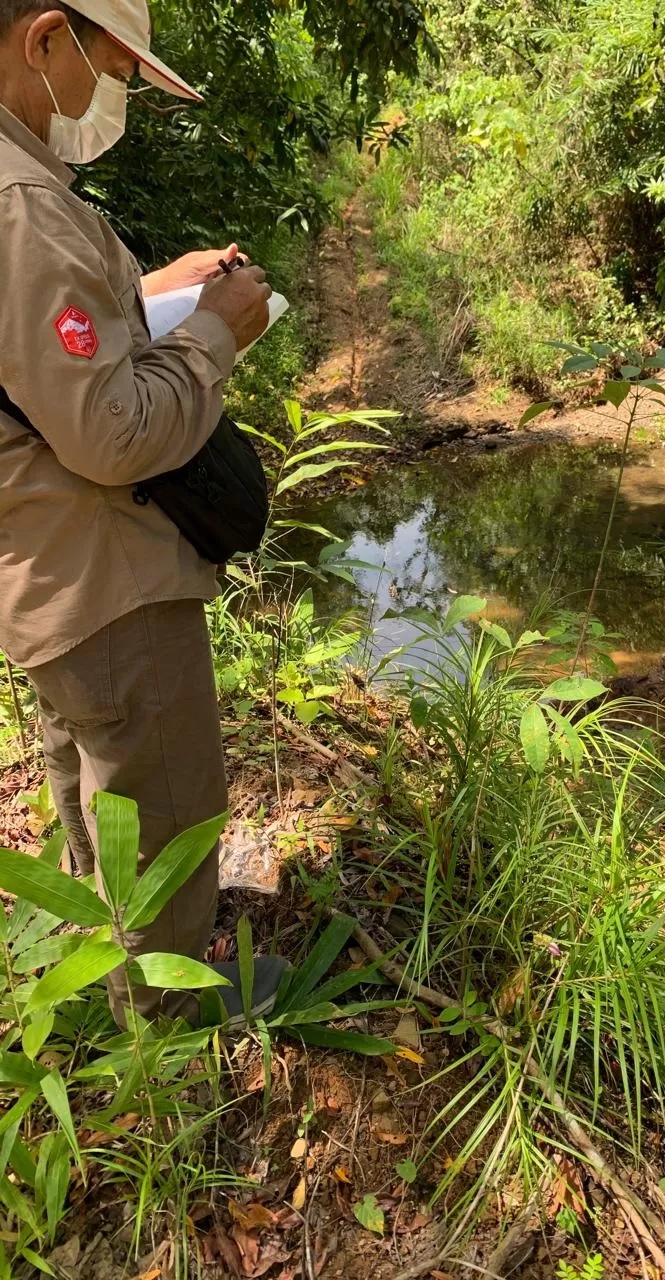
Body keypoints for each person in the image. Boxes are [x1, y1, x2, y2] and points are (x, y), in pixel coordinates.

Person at [0, 0, 288, 1026]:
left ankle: (118, 975)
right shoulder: (19, 205)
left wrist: (160, 293)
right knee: (163, 808)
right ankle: (172, 1032)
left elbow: (42, 358)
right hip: (107, 576)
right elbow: (110, 435)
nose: (107, 98)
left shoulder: (24, 192)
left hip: (49, 574)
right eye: (111, 70)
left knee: (102, 797)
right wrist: (212, 336)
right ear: (44, 40)